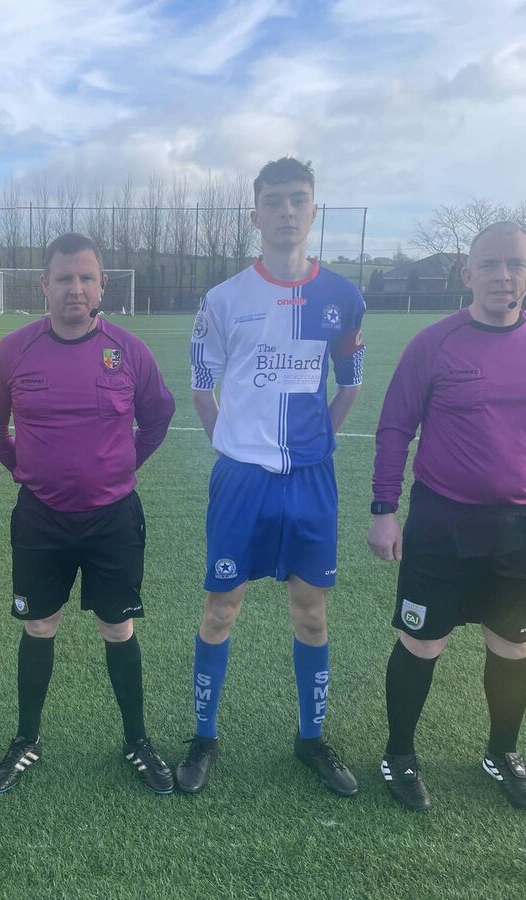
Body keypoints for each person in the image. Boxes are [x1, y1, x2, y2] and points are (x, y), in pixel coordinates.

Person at [368, 221, 526, 812]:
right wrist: (384, 510)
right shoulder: (435, 342)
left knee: (514, 647)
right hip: (442, 523)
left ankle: (502, 752)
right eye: (490, 265)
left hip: (524, 527)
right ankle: (398, 755)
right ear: (468, 274)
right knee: (421, 642)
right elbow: (396, 426)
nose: (502, 276)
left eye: (514, 265)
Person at [178, 158, 365, 797]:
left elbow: (351, 384)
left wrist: (317, 443)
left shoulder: (341, 298)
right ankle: (204, 736)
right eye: (275, 201)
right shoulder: (224, 300)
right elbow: (202, 388)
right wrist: (232, 445)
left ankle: (311, 739)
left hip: (310, 480)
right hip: (242, 481)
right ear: (255, 213)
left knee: (311, 614)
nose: (287, 211)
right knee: (220, 608)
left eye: (299, 200)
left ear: (313, 212)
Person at [0, 232, 176, 794]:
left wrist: (121, 465)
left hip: (113, 517)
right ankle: (26, 738)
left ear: (102, 284)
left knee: (118, 626)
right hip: (42, 517)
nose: (75, 288)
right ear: (44, 284)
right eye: (64, 278)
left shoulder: (128, 351)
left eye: (86, 277)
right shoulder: (15, 350)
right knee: (40, 625)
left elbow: (158, 417)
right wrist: (25, 468)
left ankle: (137, 740)